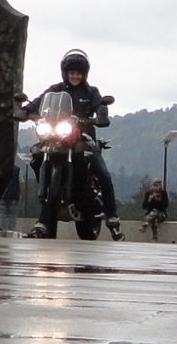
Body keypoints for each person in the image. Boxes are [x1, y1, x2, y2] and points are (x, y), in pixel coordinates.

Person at [18, 48, 116, 239]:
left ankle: (112, 215)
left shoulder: (91, 91)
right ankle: (44, 219)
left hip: (83, 139)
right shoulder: (55, 90)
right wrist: (25, 111)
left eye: (79, 73)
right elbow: (38, 102)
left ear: (84, 74)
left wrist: (101, 114)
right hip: (56, 137)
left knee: (102, 173)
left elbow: (99, 105)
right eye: (72, 72)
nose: (75, 76)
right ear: (65, 73)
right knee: (36, 155)